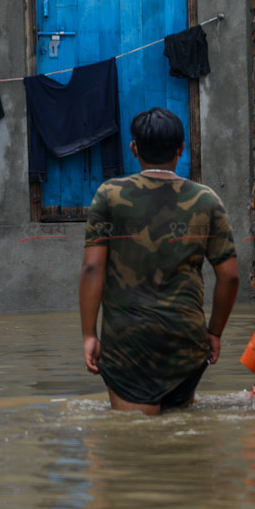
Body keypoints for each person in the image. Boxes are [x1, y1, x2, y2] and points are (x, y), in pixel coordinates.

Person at [78, 107, 240, 415]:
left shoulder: (109, 196)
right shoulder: (207, 200)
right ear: (181, 149)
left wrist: (89, 334)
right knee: (181, 444)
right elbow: (230, 277)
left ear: (134, 148)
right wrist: (215, 333)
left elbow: (91, 267)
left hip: (128, 346)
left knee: (135, 446)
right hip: (186, 343)